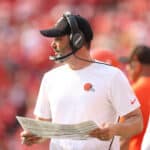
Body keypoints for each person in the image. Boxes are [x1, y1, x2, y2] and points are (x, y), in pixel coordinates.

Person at [20, 12, 143, 150]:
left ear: (77, 40)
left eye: (59, 39)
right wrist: (35, 134)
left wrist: (115, 129)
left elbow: (137, 121)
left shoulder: (112, 76)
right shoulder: (50, 78)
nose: (53, 45)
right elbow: (43, 123)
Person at [120, 45, 150, 150]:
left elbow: (123, 138)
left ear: (136, 64)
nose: (127, 69)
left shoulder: (132, 92)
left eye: (129, 64)